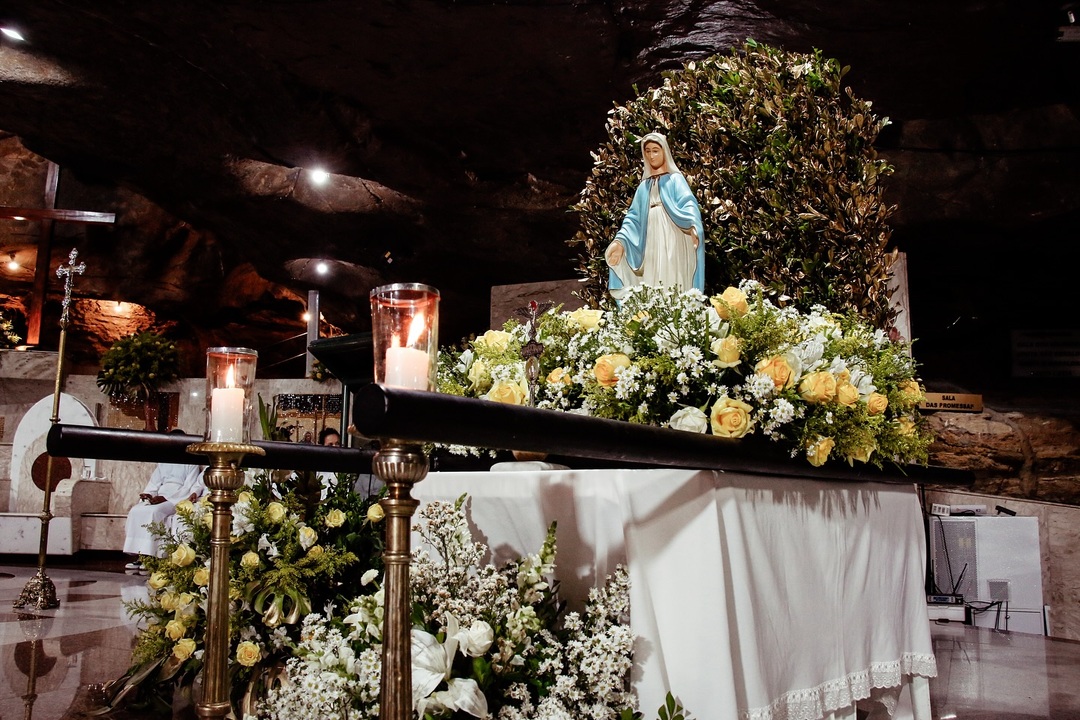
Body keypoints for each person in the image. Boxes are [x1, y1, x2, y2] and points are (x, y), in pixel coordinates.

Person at [605, 132, 706, 300]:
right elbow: (633, 218)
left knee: (672, 271)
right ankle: (655, 315)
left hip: (674, 235)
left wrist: (694, 226)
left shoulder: (675, 180)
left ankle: (677, 314)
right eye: (648, 151)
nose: (651, 156)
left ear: (664, 152)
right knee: (652, 274)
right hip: (650, 239)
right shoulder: (644, 187)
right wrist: (620, 242)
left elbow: (688, 204)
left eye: (655, 150)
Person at [123, 457, 205, 573]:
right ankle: (139, 556)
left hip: (174, 499)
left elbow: (188, 487)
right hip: (159, 497)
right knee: (135, 511)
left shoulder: (191, 464)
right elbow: (153, 483)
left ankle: (150, 557)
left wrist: (166, 498)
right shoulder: (163, 462)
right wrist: (149, 495)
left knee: (154, 512)